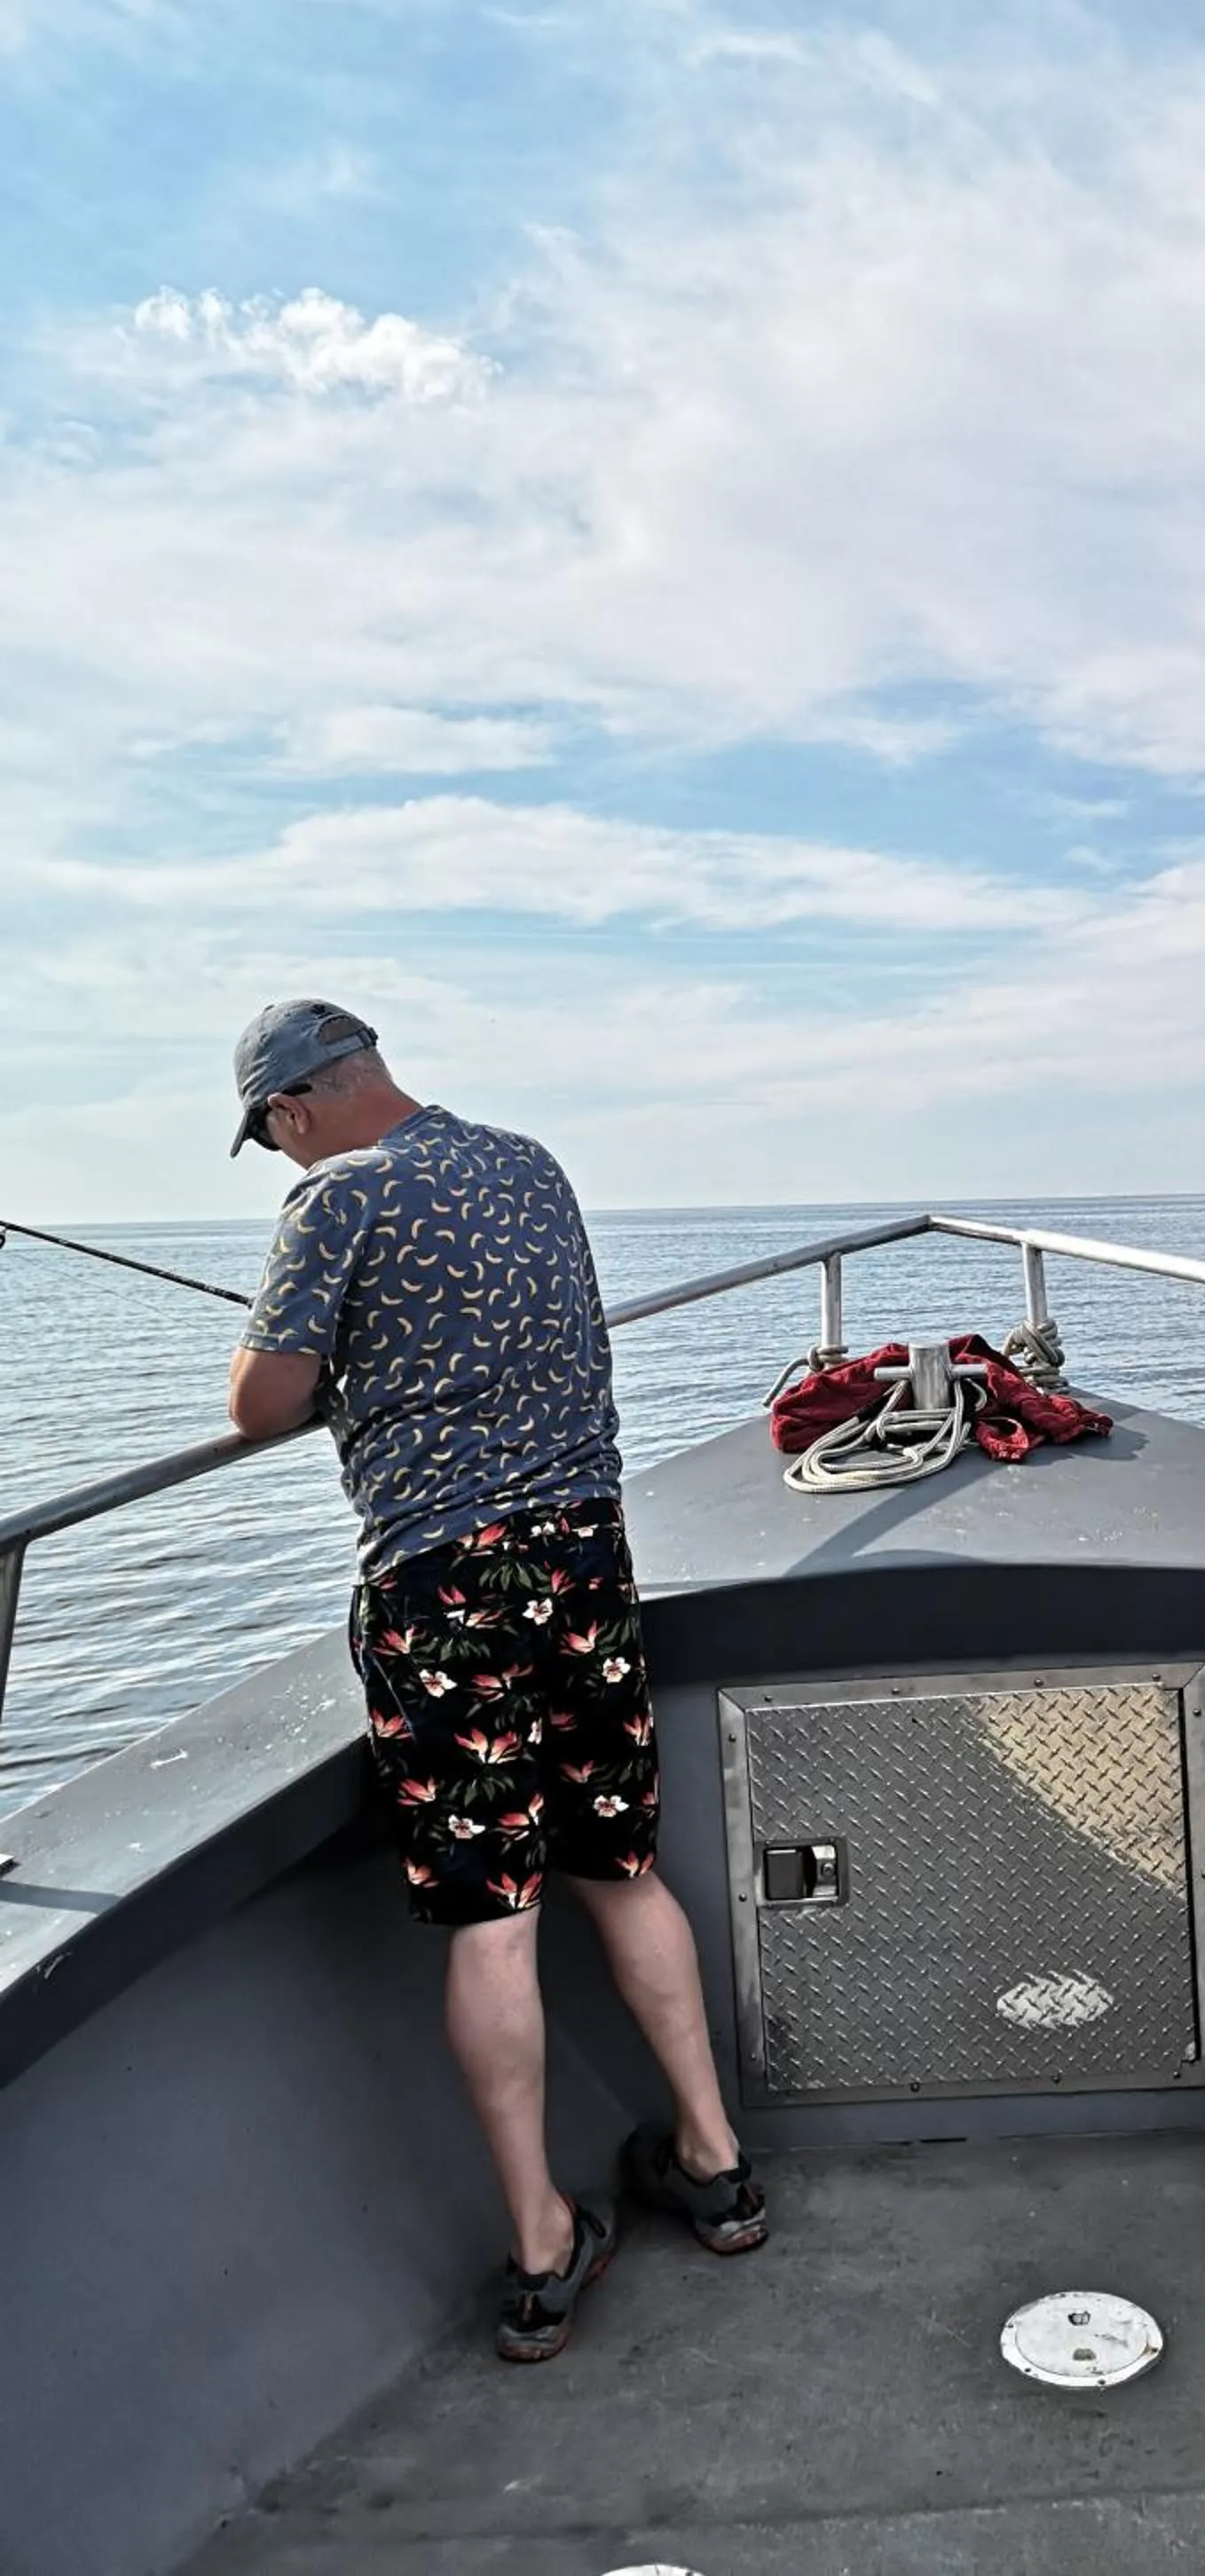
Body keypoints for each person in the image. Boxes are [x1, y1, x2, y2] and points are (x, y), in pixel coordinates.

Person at [224, 998, 765, 2363]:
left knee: (495, 1918)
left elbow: (259, 1405)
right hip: (586, 1557)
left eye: (275, 1137)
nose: (285, 1157)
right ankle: (713, 2162)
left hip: (445, 1589)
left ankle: (540, 2244)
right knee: (621, 1869)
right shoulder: (529, 1163)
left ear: (294, 1110)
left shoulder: (330, 1201)